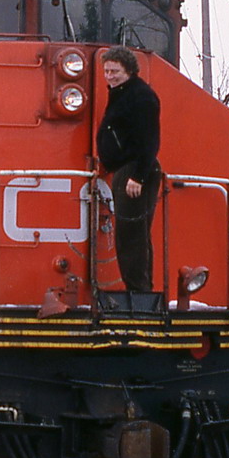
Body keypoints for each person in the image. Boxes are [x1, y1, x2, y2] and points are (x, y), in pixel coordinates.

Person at [96, 46, 162, 292]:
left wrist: (138, 176)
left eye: (115, 71)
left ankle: (139, 294)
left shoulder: (141, 96)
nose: (110, 76)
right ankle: (140, 290)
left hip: (134, 171)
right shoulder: (123, 94)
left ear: (130, 71)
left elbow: (149, 139)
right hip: (126, 170)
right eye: (107, 71)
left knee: (131, 236)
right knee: (134, 235)